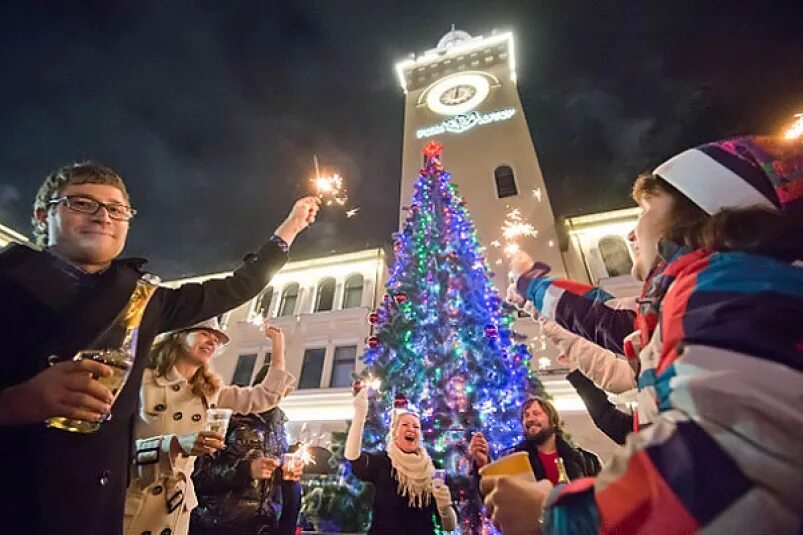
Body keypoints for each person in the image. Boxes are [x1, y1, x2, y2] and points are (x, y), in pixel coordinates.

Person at [482, 136, 803, 533]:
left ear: (701, 209)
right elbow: (605, 319)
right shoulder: (703, 292)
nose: (633, 233)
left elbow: (714, 471)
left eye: (646, 209)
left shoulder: (729, 291)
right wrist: (531, 288)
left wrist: (555, 515)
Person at [0, 162, 319, 534]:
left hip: (97, 511)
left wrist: (292, 226)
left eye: (117, 209)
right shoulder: (10, 283)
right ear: (43, 215)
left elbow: (237, 286)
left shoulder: (142, 299)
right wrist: (19, 401)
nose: (103, 216)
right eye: (83, 203)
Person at [124, 319, 295, 534]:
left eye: (216, 340)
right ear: (180, 333)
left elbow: (265, 396)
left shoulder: (211, 391)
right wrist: (175, 445)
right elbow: (112, 449)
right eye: (205, 333)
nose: (212, 342)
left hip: (175, 513)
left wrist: (278, 344)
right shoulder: (139, 379)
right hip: (135, 504)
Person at [190, 364, 303, 535]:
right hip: (219, 527)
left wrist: (287, 477)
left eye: (284, 390)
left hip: (264, 527)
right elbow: (198, 474)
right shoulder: (227, 418)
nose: (281, 394)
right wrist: (246, 470)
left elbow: (272, 488)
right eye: (276, 388)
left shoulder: (279, 429)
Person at [344, 388, 457, 534]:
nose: (411, 428)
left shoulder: (433, 469)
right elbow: (353, 457)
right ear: (395, 433)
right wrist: (359, 415)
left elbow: (450, 526)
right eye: (405, 425)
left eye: (416, 426)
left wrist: (445, 507)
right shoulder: (383, 462)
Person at [469, 396, 601, 486]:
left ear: (553, 422)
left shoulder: (586, 460)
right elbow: (494, 499)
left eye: (536, 413)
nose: (530, 419)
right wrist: (483, 463)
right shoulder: (511, 460)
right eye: (526, 416)